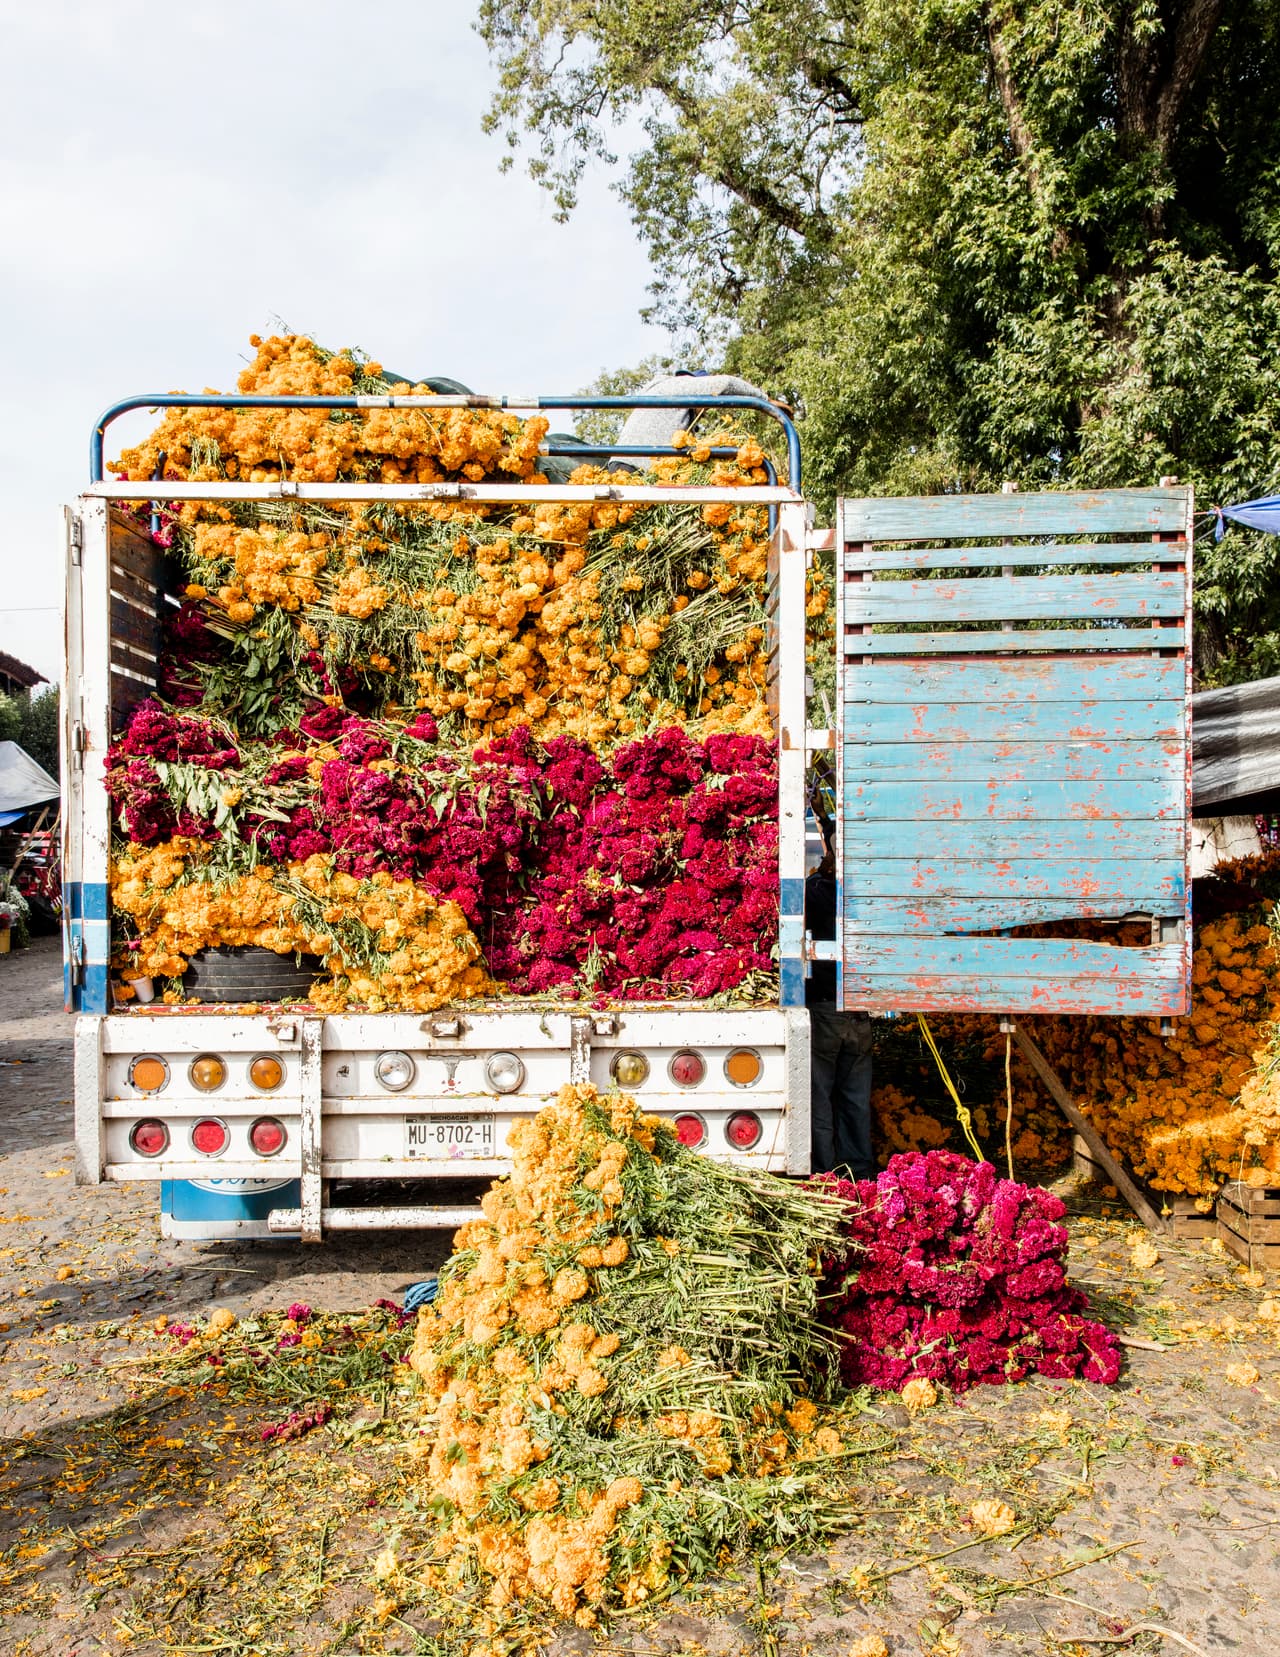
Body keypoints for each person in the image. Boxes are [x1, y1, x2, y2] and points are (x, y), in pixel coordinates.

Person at [806, 851, 877, 1180]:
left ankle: (824, 1169)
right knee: (855, 1096)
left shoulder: (812, 893)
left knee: (820, 1095)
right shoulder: (864, 896)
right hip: (857, 1009)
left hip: (824, 1009)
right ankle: (859, 1170)